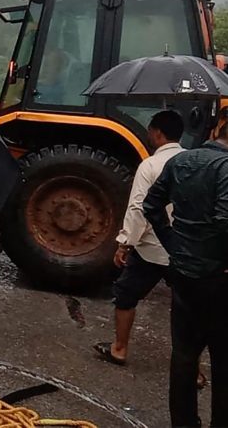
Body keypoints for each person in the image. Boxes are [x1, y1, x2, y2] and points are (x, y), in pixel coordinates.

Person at [144, 119, 228, 428]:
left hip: (183, 274)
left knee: (183, 355)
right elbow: (225, 220)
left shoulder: (181, 161)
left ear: (217, 131)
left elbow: (151, 206)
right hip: (219, 277)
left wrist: (174, 245)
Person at [94, 110, 185, 365]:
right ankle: (194, 369)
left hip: (152, 248)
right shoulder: (193, 162)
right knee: (188, 308)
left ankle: (119, 348)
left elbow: (139, 208)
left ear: (157, 133)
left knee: (126, 295)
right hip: (186, 249)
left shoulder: (151, 165)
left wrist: (125, 243)